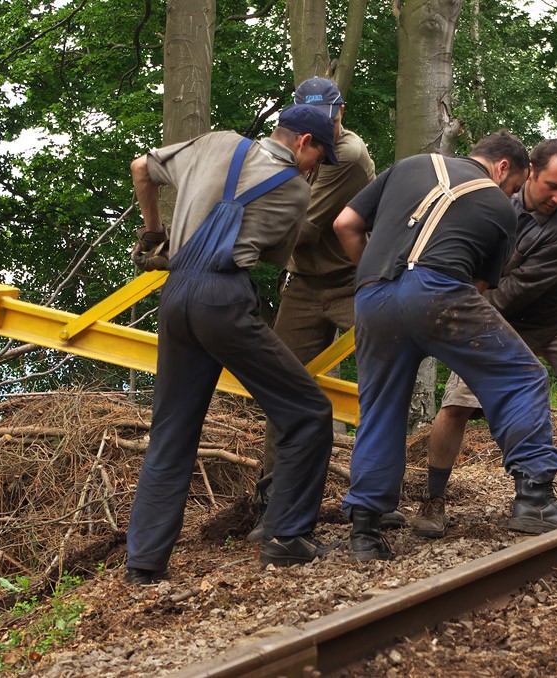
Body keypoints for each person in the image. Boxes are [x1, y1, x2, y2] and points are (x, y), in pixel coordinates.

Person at [333, 131, 557, 562]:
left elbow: (345, 225)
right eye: (516, 184)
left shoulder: (408, 164)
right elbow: (479, 290)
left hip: (372, 296)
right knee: (521, 375)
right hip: (439, 290)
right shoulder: (500, 205)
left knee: (381, 407)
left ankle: (366, 530)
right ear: (505, 169)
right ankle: (535, 499)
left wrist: (378, 280)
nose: (513, 193)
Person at [123, 104, 342, 583]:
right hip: (222, 298)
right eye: (319, 157)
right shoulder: (293, 192)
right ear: (304, 142)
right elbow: (270, 255)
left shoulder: (216, 141)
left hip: (176, 295)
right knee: (307, 412)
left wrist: (156, 231)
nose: (316, 170)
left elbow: (142, 169)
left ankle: (143, 567)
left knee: (172, 433)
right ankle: (286, 538)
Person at [413, 138, 557, 540]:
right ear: (530, 174)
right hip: (491, 315)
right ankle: (433, 501)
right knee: (456, 404)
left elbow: (515, 292)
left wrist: (469, 305)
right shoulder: (491, 201)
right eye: (551, 186)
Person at [249, 77, 404, 541]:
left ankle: (375, 499)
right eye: (311, 115)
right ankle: (274, 503)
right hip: (302, 284)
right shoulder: (290, 145)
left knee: (381, 382)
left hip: (352, 281)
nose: (323, 123)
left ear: (340, 111)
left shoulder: (349, 157)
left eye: (329, 114)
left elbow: (303, 225)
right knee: (283, 386)